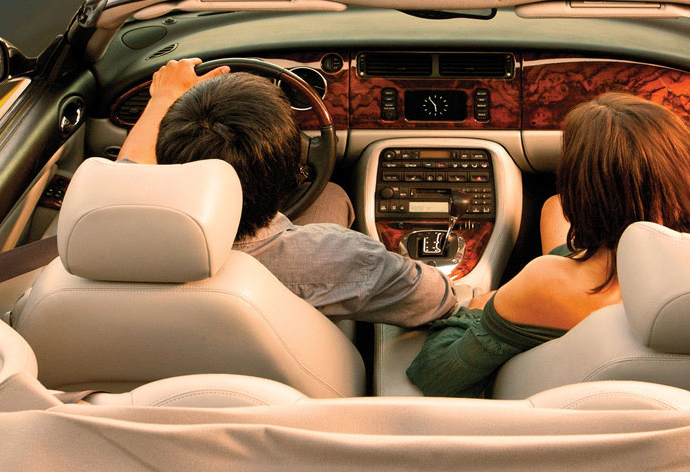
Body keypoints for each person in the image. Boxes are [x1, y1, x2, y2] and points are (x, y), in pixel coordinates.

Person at [406, 92, 690, 397]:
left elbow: (437, 376)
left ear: (583, 194)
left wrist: (476, 309)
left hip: (550, 415)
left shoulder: (544, 282)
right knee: (553, 208)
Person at [116, 58, 458, 327]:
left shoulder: (116, 228)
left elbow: (127, 170)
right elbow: (443, 300)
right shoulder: (341, 259)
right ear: (290, 167)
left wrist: (162, 99)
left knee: (330, 195)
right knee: (332, 193)